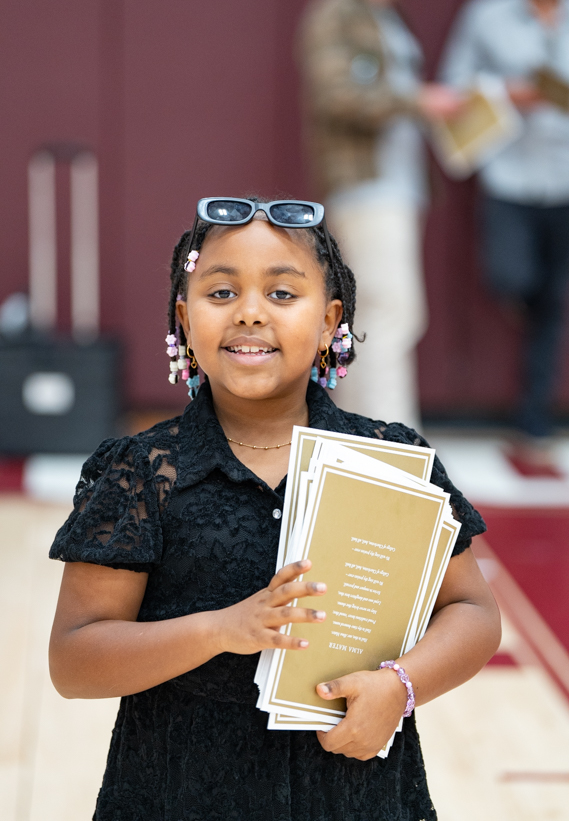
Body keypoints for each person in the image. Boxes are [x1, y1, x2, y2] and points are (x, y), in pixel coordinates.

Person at [48, 197, 500, 821]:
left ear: (328, 320)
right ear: (184, 317)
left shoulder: (391, 458)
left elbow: (473, 612)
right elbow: (75, 661)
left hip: (355, 794)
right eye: (222, 292)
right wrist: (221, 629)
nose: (251, 313)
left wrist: (400, 687)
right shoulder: (142, 472)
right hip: (178, 792)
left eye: (283, 294)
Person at [298, 0, 464, 428]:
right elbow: (338, 96)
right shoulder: (336, 13)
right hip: (367, 185)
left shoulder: (382, 12)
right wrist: (418, 101)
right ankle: (388, 446)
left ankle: (365, 437)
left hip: (396, 185)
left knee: (381, 314)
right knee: (387, 314)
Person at [440, 0, 569, 475]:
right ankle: (526, 298)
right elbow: (453, 83)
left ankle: (533, 420)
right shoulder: (486, 14)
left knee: (554, 305)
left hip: (565, 181)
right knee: (512, 277)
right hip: (509, 175)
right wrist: (503, 92)